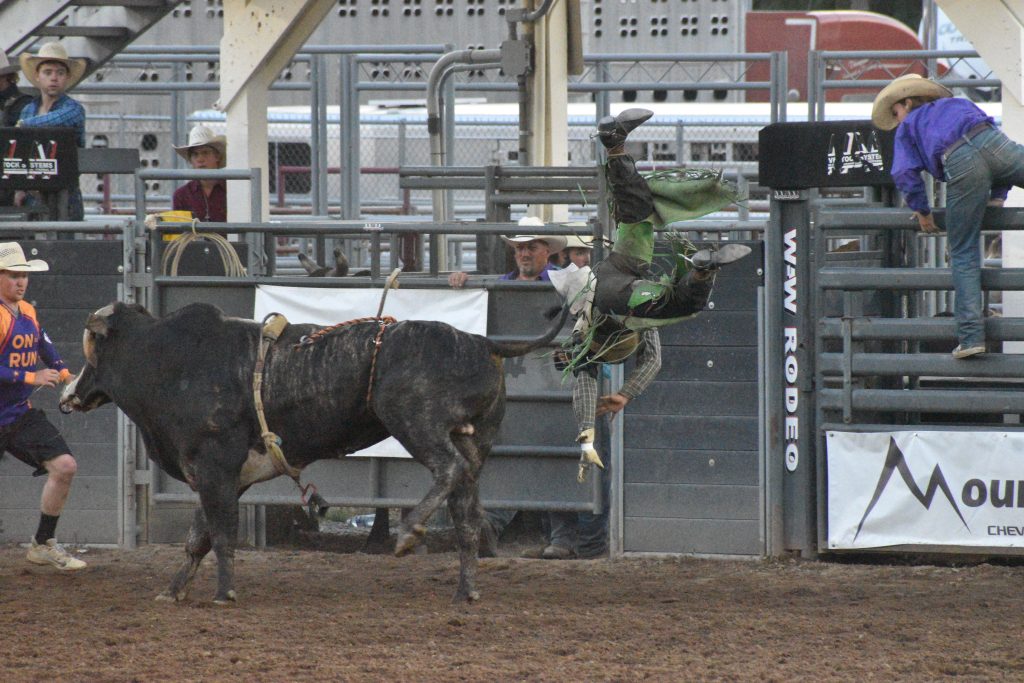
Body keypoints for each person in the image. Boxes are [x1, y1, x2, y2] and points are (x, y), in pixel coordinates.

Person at [871, 73, 1024, 359]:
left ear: (907, 102)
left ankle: (971, 336)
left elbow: (903, 171)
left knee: (963, 251)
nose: (897, 119)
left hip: (960, 160)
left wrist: (922, 210)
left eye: (896, 112)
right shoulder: (958, 103)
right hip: (994, 143)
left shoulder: (909, 127)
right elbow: (994, 141)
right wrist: (997, 196)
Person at [0, 242, 85, 570]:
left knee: (65, 466)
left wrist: (64, 373)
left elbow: (43, 344)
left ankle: (43, 544)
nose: (21, 281)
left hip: (16, 413)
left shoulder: (26, 312)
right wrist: (30, 376)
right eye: (13, 275)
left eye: (24, 275)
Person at [16, 42, 87, 221]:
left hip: (66, 193)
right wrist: (20, 188)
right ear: (38, 76)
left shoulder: (74, 109)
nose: (54, 78)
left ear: (67, 77)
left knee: (65, 236)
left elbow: (56, 120)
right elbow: (20, 151)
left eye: (60, 73)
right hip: (33, 195)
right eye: (48, 72)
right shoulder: (28, 109)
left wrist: (22, 125)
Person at [447, 227, 567, 287]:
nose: (525, 254)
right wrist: (461, 280)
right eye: (520, 248)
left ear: (547, 252)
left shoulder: (565, 279)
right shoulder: (504, 281)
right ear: (515, 253)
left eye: (532, 248)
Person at [172, 124, 228, 222]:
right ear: (191, 160)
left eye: (205, 153)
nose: (200, 159)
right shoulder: (181, 195)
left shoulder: (231, 190)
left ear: (217, 157)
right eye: (195, 154)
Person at [0, 52, 34, 209]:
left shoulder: (24, 105)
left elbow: (28, 147)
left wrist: (22, 188)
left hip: (13, 187)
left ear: (5, 77)